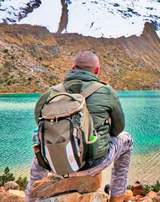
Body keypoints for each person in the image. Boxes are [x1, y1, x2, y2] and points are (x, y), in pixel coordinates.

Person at [25, 51, 133, 202]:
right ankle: (117, 196)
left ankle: (30, 195)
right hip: (94, 164)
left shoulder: (51, 93)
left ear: (73, 68)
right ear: (97, 70)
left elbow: (40, 125)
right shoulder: (106, 92)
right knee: (127, 139)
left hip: (55, 165)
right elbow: (117, 130)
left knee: (42, 141)